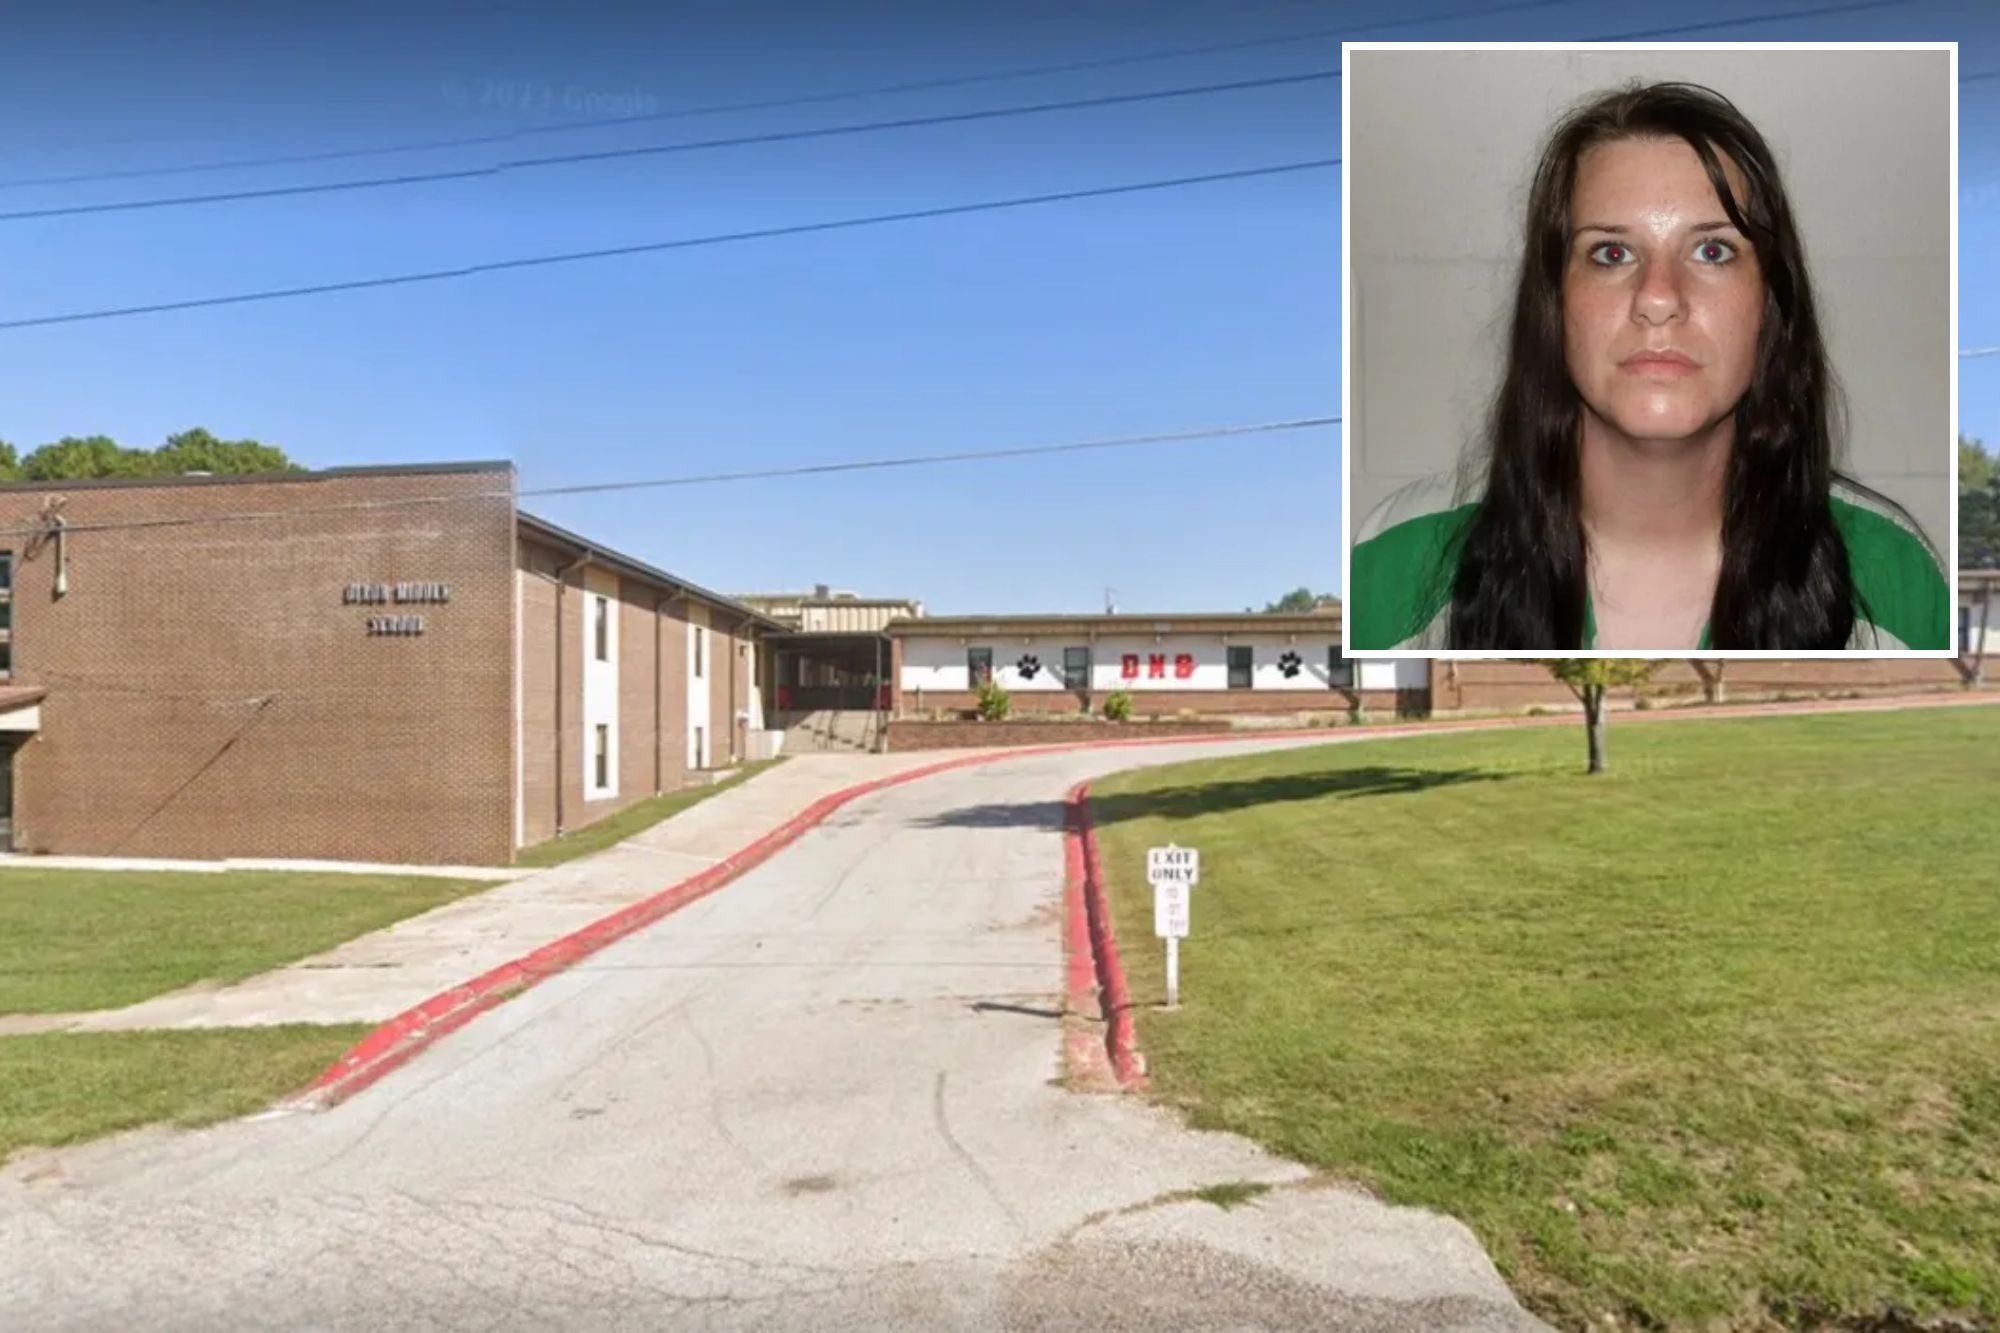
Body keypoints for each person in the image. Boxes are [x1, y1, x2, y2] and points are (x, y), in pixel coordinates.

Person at [1349, 80, 1948, 651]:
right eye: (1612, 253)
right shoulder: (1393, 559)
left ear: (1770, 303)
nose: (1659, 296)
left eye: (1713, 250)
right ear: (1555, 304)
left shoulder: (1892, 569)